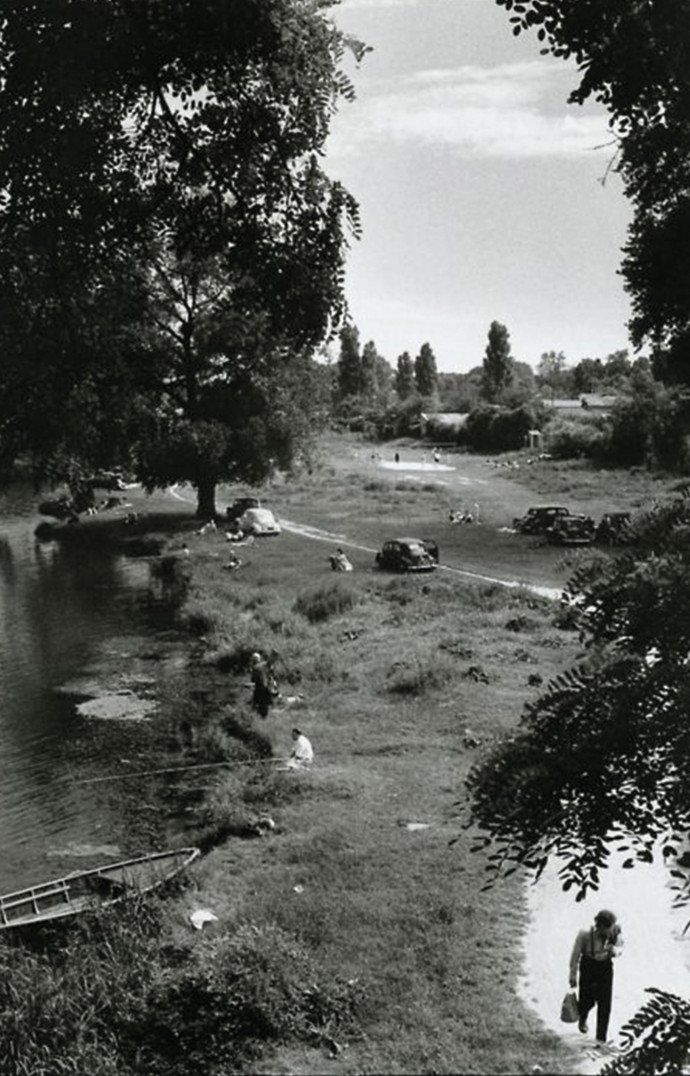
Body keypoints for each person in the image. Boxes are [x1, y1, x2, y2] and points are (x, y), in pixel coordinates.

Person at [569, 909, 623, 1048]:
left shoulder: (615, 931)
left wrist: (615, 951)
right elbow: (575, 955)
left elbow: (621, 947)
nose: (609, 931)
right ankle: (583, 1016)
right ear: (599, 925)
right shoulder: (585, 935)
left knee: (605, 1003)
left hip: (605, 968)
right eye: (607, 928)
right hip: (588, 966)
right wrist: (573, 975)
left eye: (611, 927)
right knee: (587, 1000)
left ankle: (601, 1038)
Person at [250, 652, 274, 718]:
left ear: (253, 661)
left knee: (256, 704)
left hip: (260, 689)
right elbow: (271, 674)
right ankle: (265, 717)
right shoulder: (264, 664)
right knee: (266, 704)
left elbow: (253, 680)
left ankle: (257, 717)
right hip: (268, 688)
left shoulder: (255, 668)